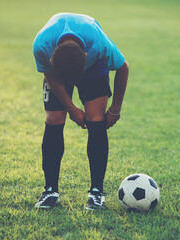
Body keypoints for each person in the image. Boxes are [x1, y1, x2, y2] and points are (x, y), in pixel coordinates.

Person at [32, 13, 129, 210]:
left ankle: (96, 192)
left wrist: (116, 109)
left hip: (92, 70)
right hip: (57, 73)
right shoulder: (41, 45)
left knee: (96, 119)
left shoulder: (98, 43)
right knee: (54, 118)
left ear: (86, 56)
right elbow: (49, 75)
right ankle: (50, 190)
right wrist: (71, 109)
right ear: (51, 57)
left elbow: (123, 68)